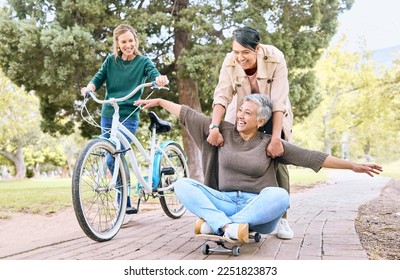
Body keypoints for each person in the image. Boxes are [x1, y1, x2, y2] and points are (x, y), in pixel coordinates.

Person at [134, 94, 382, 243]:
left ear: (261, 120)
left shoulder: (270, 144)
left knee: (280, 195)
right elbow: (187, 114)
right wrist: (158, 101)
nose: (240, 115)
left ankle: (221, 225)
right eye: (240, 110)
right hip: (224, 200)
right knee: (182, 184)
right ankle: (228, 227)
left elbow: (312, 157)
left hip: (258, 212)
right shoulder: (224, 131)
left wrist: (352, 166)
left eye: (248, 113)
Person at [207, 26, 294, 239]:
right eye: (236, 52)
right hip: (244, 111)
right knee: (221, 151)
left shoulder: (275, 59)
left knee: (278, 157)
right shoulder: (230, 61)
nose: (240, 57)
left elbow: (278, 102)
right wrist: (214, 127)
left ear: (257, 49)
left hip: (272, 113)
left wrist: (275, 139)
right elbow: (222, 96)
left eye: (245, 52)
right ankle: (218, 215)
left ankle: (282, 219)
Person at [81, 24, 169, 223]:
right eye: (124, 42)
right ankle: (124, 202)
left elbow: (154, 74)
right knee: (111, 157)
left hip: (129, 114)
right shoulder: (110, 61)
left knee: (119, 155)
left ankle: (124, 201)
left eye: (131, 40)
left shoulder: (143, 61)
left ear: (135, 41)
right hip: (109, 113)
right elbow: (98, 77)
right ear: (118, 44)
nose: (128, 45)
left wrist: (160, 79)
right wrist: (90, 87)